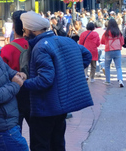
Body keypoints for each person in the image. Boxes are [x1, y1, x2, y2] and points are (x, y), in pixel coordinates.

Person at [20, 11, 93, 150]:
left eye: (25, 30)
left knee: (41, 145)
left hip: (44, 107)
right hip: (60, 107)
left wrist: (24, 83)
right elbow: (86, 55)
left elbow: (45, 80)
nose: (23, 34)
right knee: (58, 143)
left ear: (33, 29)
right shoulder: (65, 40)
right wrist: (67, 72)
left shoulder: (40, 47)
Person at [0, 10, 30, 131]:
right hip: (33, 91)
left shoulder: (7, 49)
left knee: (16, 131)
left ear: (13, 27)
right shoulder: (35, 45)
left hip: (15, 94)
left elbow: (2, 75)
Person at [101, 18, 125, 87]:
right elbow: (122, 42)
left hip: (108, 50)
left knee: (107, 66)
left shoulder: (106, 33)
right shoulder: (119, 32)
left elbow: (102, 41)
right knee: (118, 67)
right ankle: (120, 80)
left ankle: (108, 81)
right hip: (117, 51)